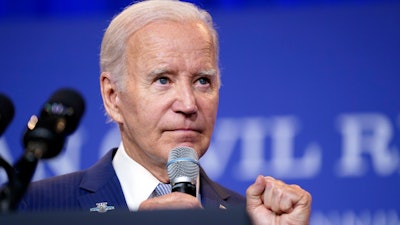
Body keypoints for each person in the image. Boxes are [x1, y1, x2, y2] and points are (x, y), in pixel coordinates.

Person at [18, 0, 312, 224]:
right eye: (163, 80)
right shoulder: (35, 207)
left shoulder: (246, 218)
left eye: (202, 81)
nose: (188, 104)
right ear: (113, 96)